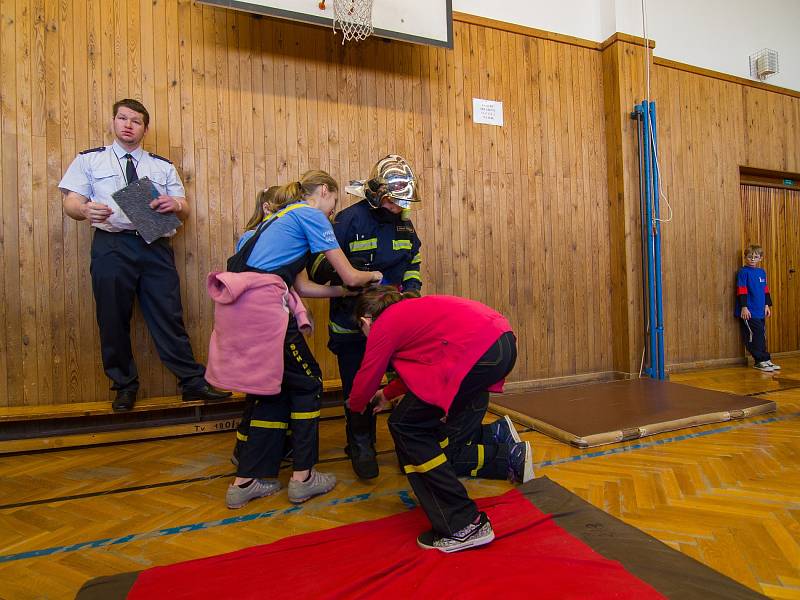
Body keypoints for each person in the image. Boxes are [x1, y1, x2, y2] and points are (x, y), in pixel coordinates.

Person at [205, 171, 383, 509]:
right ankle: (303, 477)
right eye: (334, 204)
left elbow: (301, 288)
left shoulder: (271, 222)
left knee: (270, 389)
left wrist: (341, 292)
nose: (333, 213)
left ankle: (245, 482)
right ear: (325, 191)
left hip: (234, 311)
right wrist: (372, 276)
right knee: (308, 383)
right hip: (263, 312)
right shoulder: (309, 214)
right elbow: (349, 273)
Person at [58, 98, 231, 412]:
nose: (128, 125)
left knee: (169, 314)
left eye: (135, 121)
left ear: (145, 128)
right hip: (112, 245)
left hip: (154, 245)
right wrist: (84, 209)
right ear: (113, 122)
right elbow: (71, 201)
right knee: (112, 317)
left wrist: (175, 205)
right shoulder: (90, 161)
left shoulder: (161, 166)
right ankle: (124, 386)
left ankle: (192, 382)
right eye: (122, 118)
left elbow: (184, 207)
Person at [346, 287, 533, 553]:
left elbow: (366, 378)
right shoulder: (408, 313)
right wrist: (386, 395)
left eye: (361, 329)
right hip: (499, 344)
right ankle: (495, 435)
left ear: (365, 321)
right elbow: (426, 364)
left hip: (478, 353)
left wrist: (355, 407)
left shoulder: (383, 324)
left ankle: (462, 524)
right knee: (420, 424)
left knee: (405, 425)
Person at [308, 155, 422, 479]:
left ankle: (407, 448)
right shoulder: (347, 221)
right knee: (358, 387)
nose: (398, 207)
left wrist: (412, 292)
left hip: (395, 326)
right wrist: (348, 271)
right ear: (376, 193)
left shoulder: (404, 224)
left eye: (402, 202)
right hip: (351, 326)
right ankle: (361, 444)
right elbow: (316, 270)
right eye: (393, 201)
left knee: (401, 386)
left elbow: (413, 260)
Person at [736, 244, 780, 372]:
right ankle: (759, 360)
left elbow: (765, 290)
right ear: (745, 258)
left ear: (760, 258)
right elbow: (742, 290)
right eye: (750, 257)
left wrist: (767, 305)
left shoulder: (762, 272)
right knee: (755, 335)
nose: (752, 259)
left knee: (762, 335)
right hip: (749, 312)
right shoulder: (743, 272)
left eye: (756, 257)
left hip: (760, 310)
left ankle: (766, 359)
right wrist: (744, 307)